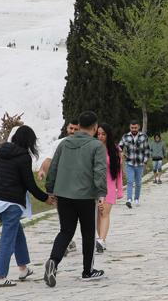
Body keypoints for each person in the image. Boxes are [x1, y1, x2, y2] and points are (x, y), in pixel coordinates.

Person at [44, 111, 107, 287]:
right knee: (88, 233)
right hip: (86, 196)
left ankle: (53, 261)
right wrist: (101, 194)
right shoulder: (96, 146)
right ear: (95, 127)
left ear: (79, 126)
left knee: (65, 231)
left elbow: (53, 167)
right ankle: (88, 271)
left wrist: (50, 190)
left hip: (63, 195)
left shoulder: (64, 143)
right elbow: (99, 171)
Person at [0, 125, 56, 287]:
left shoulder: (2, 151)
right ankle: (0, 277)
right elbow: (29, 184)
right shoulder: (24, 157)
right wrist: (46, 198)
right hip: (11, 203)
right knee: (7, 240)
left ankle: (23, 269)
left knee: (17, 233)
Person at [38, 117, 79, 255]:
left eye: (76, 129)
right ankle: (68, 241)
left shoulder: (84, 144)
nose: (72, 131)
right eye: (71, 128)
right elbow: (49, 160)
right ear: (67, 128)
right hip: (61, 185)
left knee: (76, 215)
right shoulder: (58, 143)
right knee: (63, 214)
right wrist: (42, 170)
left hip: (78, 186)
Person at [96, 123, 123, 253]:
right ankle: (101, 239)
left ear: (108, 135)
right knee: (98, 214)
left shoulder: (115, 150)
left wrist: (120, 189)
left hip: (109, 186)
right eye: (98, 134)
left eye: (103, 134)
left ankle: (101, 240)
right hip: (95, 186)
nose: (100, 136)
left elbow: (118, 171)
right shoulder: (93, 148)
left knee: (104, 213)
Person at [119, 120, 149, 208]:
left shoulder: (143, 137)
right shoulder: (125, 137)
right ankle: (129, 199)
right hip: (129, 163)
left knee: (138, 183)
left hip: (140, 164)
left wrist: (145, 161)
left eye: (135, 128)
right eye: (132, 128)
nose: (134, 129)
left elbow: (147, 149)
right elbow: (120, 146)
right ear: (130, 127)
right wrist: (121, 152)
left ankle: (136, 199)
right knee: (130, 181)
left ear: (138, 127)